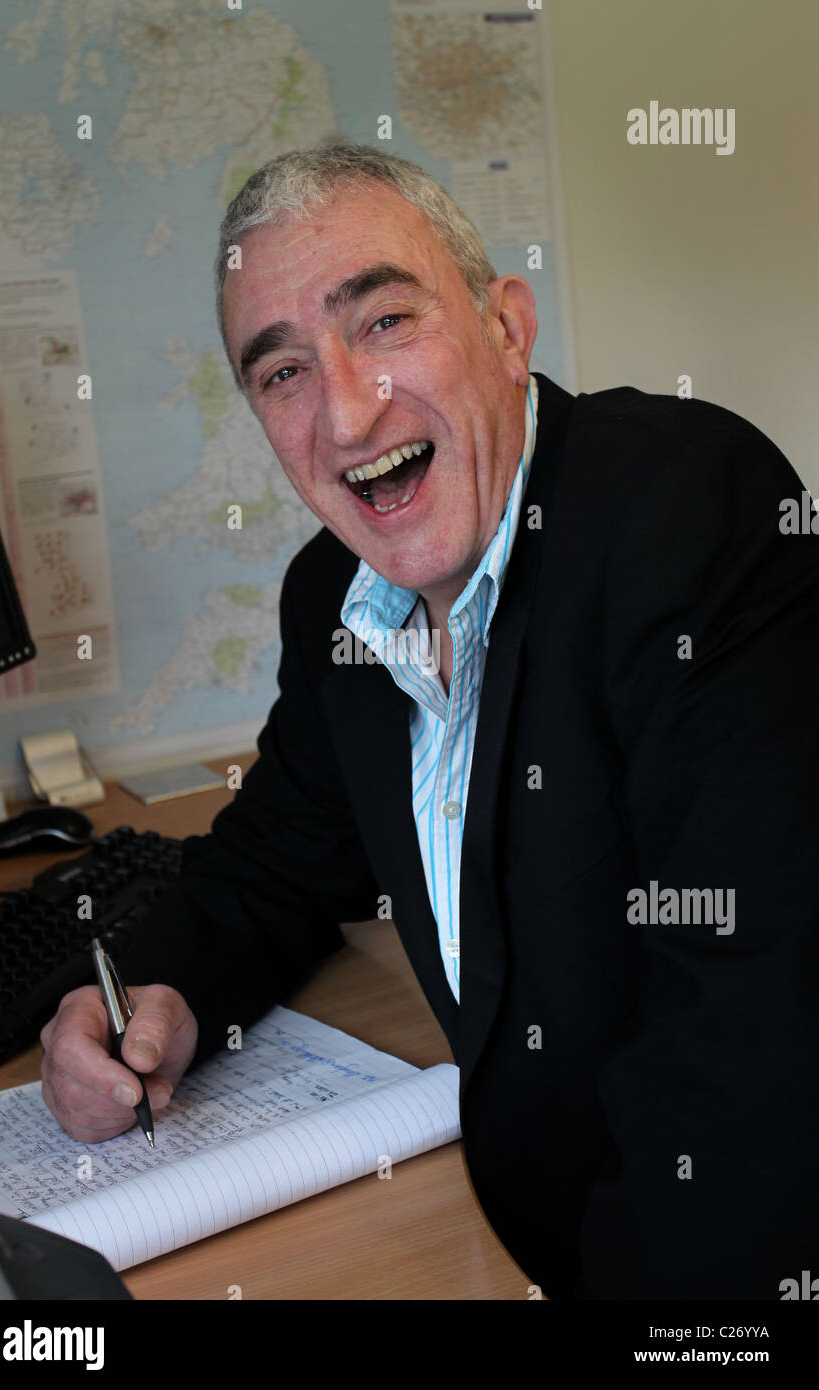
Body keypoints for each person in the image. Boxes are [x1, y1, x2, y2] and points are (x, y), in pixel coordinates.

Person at [40, 144, 819, 1300]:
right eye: (283, 372)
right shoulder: (335, 601)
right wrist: (150, 995)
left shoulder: (690, 513)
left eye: (386, 321)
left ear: (505, 328)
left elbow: (757, 1041)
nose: (347, 411)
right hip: (511, 1220)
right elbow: (276, 864)